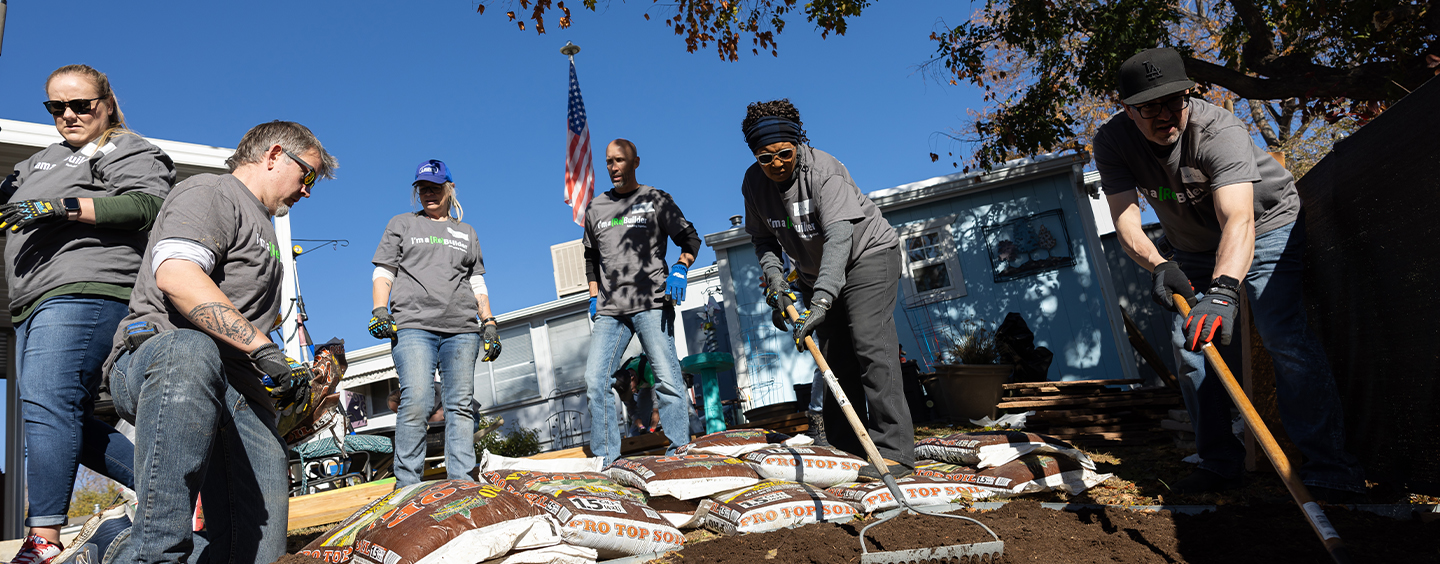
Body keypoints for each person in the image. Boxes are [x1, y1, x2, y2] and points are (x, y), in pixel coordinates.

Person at [1095, 48, 1365, 500]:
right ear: (1127, 109)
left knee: (1282, 334)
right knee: (1191, 348)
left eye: (1174, 100)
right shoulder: (1112, 142)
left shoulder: (1218, 130)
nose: (1165, 115)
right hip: (1190, 247)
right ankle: (1220, 464)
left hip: (1266, 226)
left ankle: (1330, 468)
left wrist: (1222, 292)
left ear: (1188, 95)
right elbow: (1125, 220)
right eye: (1149, 107)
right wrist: (1161, 266)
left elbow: (1238, 220)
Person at [102, 120, 336, 563]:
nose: (307, 191)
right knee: (192, 351)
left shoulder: (264, 225)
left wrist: (287, 378)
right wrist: (264, 349)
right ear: (274, 155)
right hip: (163, 358)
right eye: (307, 175)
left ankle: (109, 549)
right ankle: (150, 555)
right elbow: (177, 275)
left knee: (256, 546)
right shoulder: (212, 192)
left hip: (238, 387)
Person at [0, 64, 175, 564]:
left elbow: (147, 205)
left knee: (49, 404)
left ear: (108, 101)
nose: (69, 115)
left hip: (86, 288)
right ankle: (181, 490)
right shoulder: (39, 163)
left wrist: (62, 207)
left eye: (82, 104)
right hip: (31, 300)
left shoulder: (127, 148)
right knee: (60, 416)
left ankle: (44, 540)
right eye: (57, 107)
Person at [739, 99, 914, 478]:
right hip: (813, 271)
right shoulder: (754, 184)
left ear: (797, 143)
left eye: (784, 153)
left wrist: (821, 299)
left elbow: (839, 237)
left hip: (867, 255)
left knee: (870, 344)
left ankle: (895, 451)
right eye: (765, 158)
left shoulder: (824, 171)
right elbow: (763, 241)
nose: (777, 164)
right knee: (834, 361)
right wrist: (776, 284)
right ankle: (846, 451)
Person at [368, 159, 498, 487]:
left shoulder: (467, 233)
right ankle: (407, 487)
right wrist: (379, 310)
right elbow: (384, 271)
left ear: (449, 189)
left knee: (460, 405)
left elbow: (476, 282)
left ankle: (462, 485)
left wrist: (489, 322)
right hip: (413, 326)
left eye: (435, 187)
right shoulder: (402, 224)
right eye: (422, 188)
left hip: (462, 329)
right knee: (418, 399)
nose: (428, 193)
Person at [582, 139, 702, 464]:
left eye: (620, 160)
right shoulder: (596, 209)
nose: (613, 167)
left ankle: (679, 450)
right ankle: (607, 460)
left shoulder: (656, 200)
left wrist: (680, 267)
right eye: (608, 162)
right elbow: (591, 257)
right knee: (595, 379)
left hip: (651, 300)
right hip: (611, 309)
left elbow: (690, 238)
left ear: (635, 162)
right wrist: (593, 296)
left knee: (666, 374)